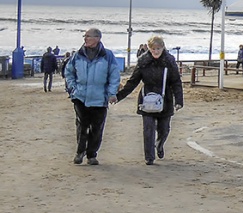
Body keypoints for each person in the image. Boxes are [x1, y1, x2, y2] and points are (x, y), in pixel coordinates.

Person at [114, 35, 183, 166]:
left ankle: (160, 144)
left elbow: (176, 82)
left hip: (165, 99)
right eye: (153, 49)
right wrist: (119, 96)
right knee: (148, 129)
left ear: (163, 48)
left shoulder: (169, 61)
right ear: (149, 48)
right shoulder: (143, 61)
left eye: (158, 48)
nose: (156, 51)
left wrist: (179, 100)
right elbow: (133, 82)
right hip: (147, 99)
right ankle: (149, 157)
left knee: (164, 129)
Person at [64, 28, 120, 166]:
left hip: (100, 99)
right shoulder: (78, 55)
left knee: (97, 128)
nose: (85, 39)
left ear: (97, 38)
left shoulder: (107, 56)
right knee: (82, 126)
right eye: (85, 36)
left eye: (88, 36)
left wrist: (112, 93)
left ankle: (91, 155)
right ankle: (80, 152)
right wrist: (72, 88)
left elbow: (114, 75)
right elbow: (69, 72)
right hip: (80, 97)